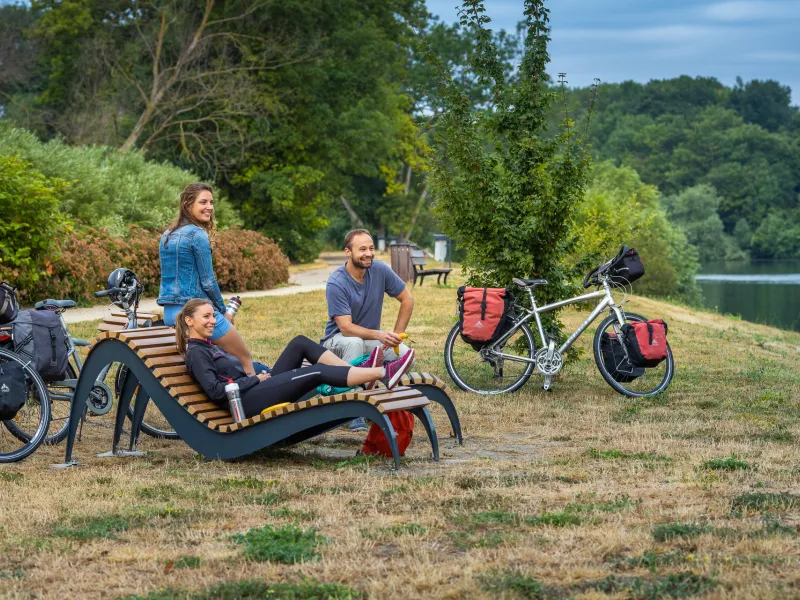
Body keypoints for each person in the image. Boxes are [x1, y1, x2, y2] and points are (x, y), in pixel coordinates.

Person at [176, 299, 416, 417]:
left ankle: (359, 371)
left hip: (255, 388)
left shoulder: (208, 346)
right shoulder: (197, 353)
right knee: (313, 372)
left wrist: (256, 377)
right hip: (247, 402)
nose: (212, 321)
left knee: (299, 343)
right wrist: (255, 380)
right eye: (206, 317)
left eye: (213, 316)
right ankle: (383, 373)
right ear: (189, 321)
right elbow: (216, 391)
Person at [157, 182, 257, 375]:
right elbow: (208, 281)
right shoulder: (197, 235)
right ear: (187, 204)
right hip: (194, 313)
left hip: (171, 315)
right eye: (203, 202)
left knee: (219, 362)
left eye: (211, 202)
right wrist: (221, 312)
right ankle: (255, 397)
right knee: (244, 358)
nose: (209, 207)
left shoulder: (167, 235)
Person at [321, 229, 414, 431]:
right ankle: (352, 410)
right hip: (336, 341)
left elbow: (407, 299)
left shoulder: (380, 270)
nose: (368, 253)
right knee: (354, 343)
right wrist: (379, 335)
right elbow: (345, 328)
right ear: (348, 252)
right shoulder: (337, 282)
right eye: (362, 249)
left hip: (368, 339)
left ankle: (376, 396)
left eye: (371, 248)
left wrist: (395, 337)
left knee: (406, 355)